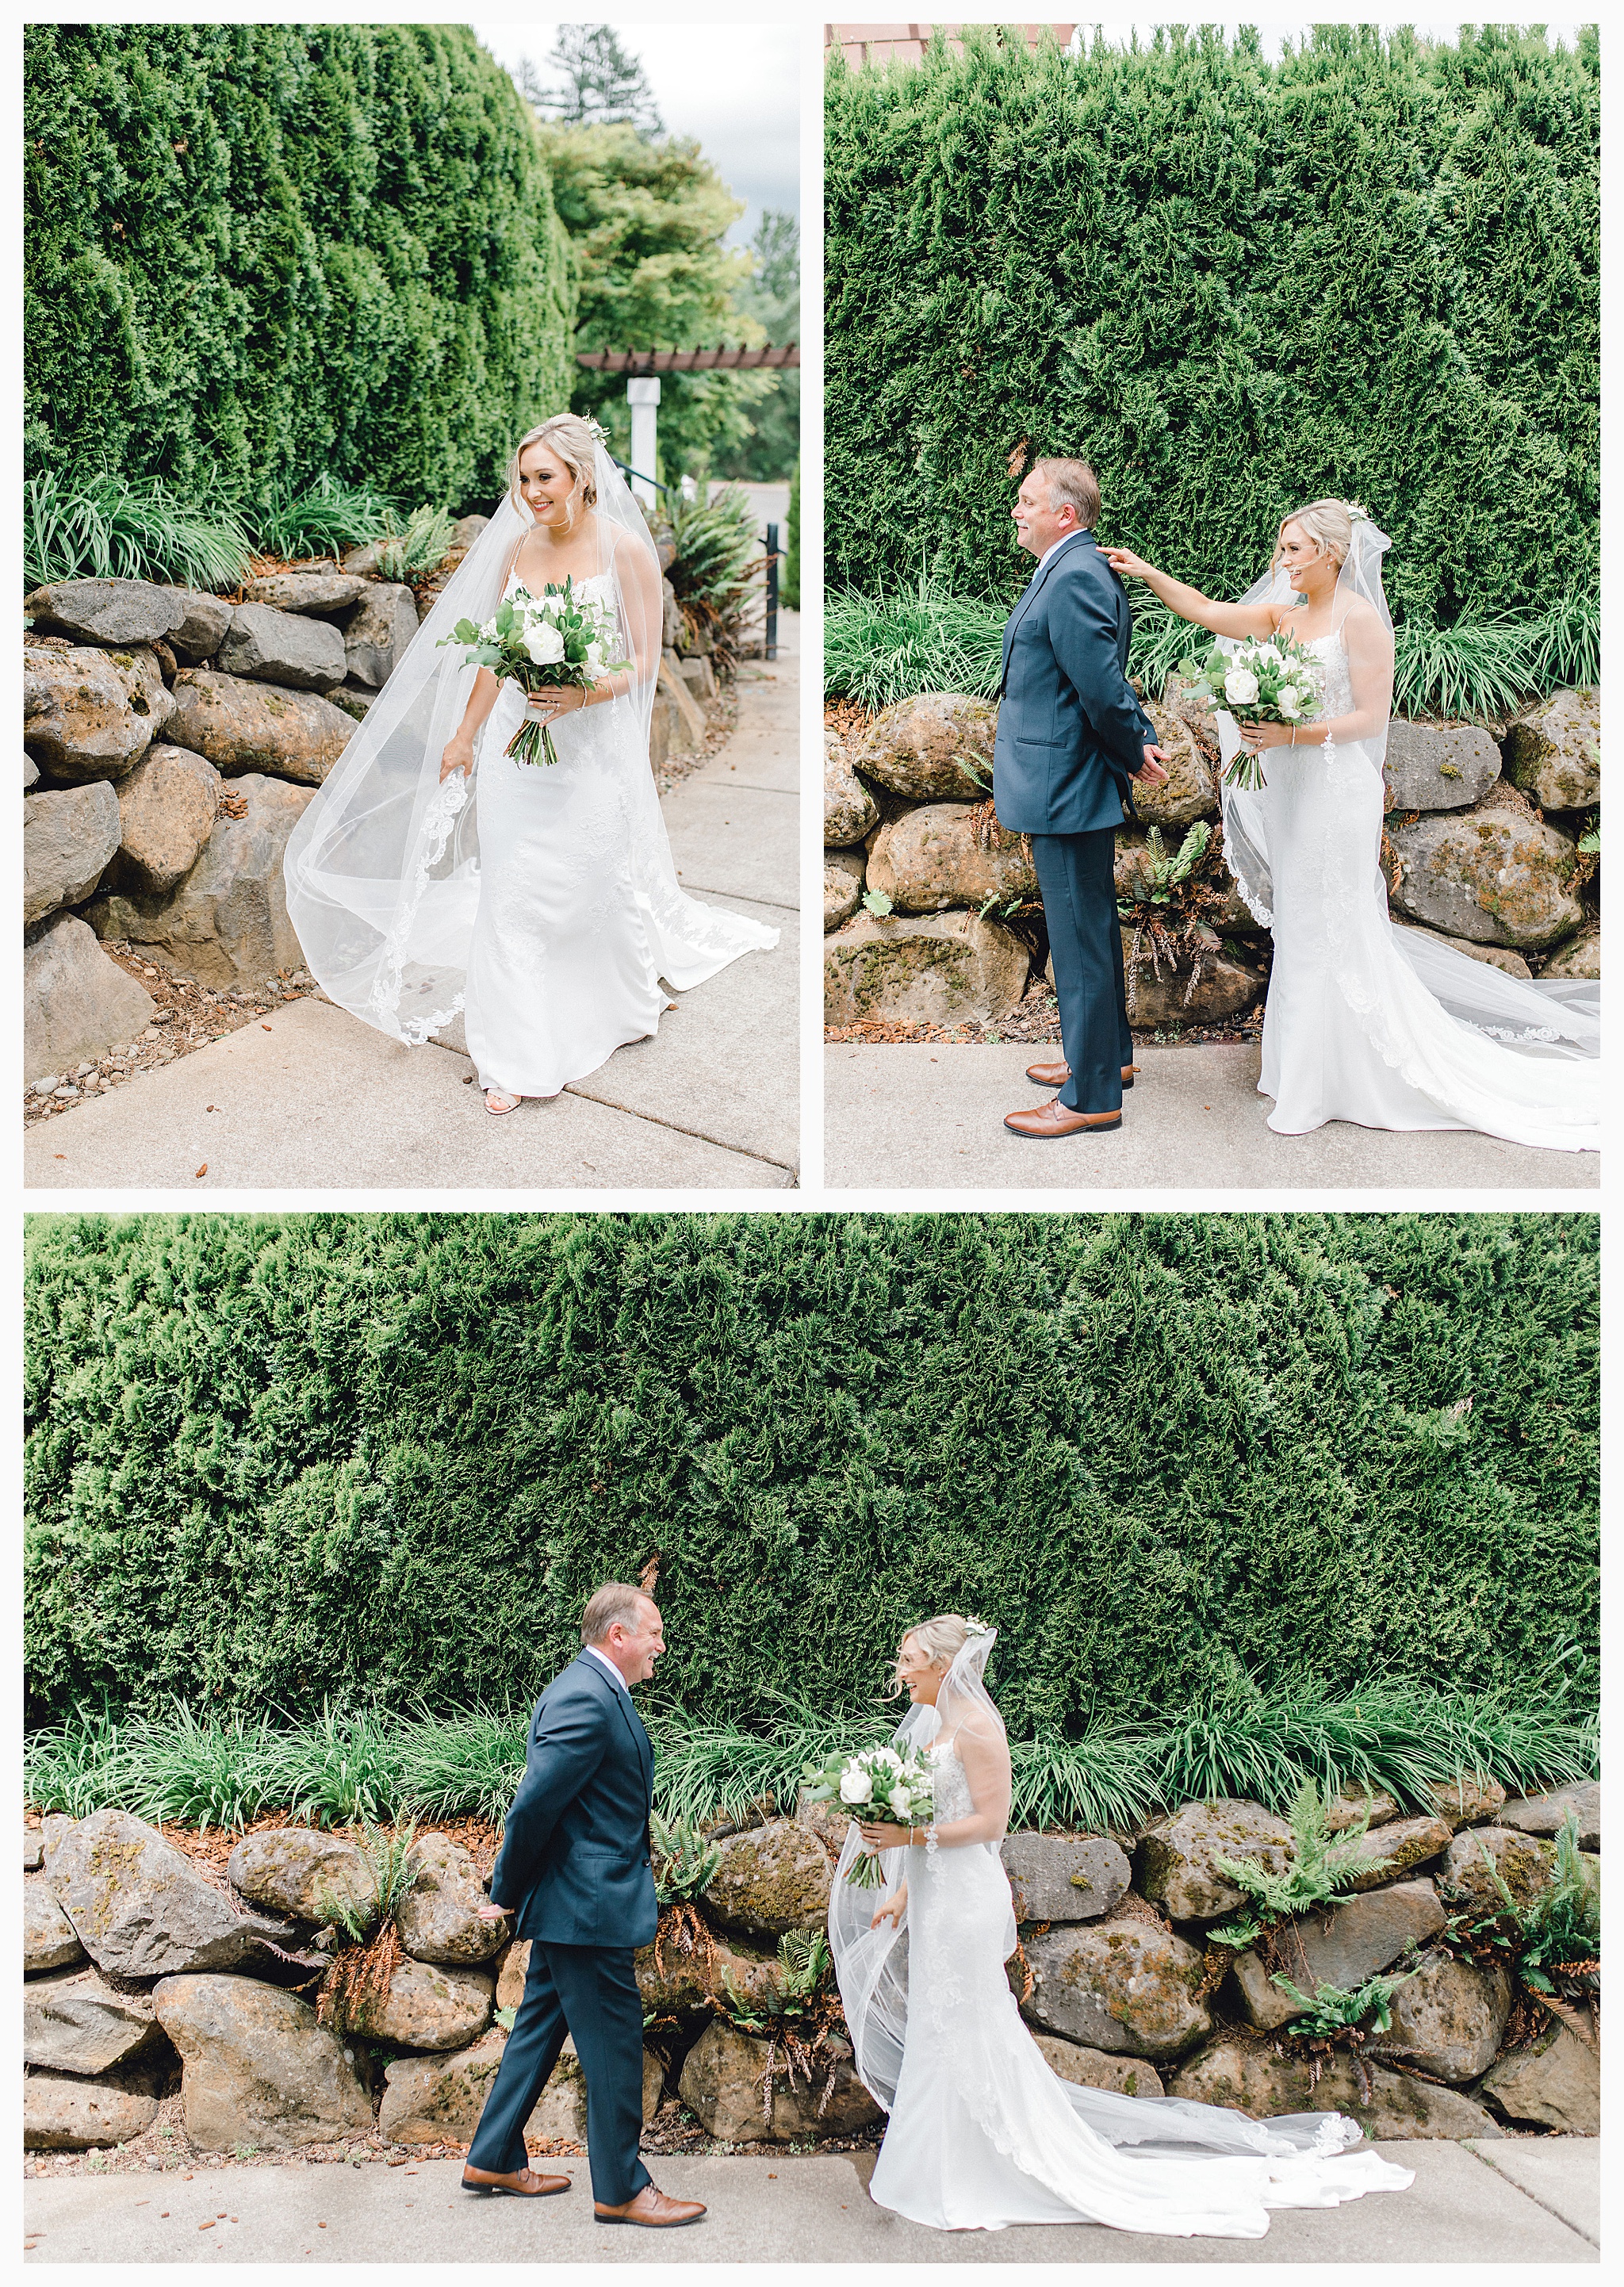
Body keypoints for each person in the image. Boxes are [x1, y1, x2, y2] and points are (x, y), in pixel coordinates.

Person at [828, 1615, 1415, 2237]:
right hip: (934, 1901)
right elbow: (935, 1817)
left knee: (965, 2019)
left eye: (910, 1658)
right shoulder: (932, 1727)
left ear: (944, 1665)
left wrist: (910, 1837)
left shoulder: (977, 1728)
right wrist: (902, 1888)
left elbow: (990, 1827)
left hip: (967, 1902)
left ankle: (980, 2169)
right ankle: (940, 2161)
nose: (901, 1668)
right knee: (938, 2021)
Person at [285, 416, 776, 1118]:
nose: (531, 491)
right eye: (523, 478)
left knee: (587, 885)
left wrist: (582, 692)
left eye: (544, 477)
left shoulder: (626, 550)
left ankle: (616, 1004)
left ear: (580, 476)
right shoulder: (517, 549)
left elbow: (643, 664)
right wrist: (463, 735)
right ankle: (511, 1055)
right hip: (518, 747)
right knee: (512, 895)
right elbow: (494, 653)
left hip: (590, 749)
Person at [1101, 504, 1599, 1150]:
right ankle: (1305, 1069)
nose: (1282, 563)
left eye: (1294, 551)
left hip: (1336, 792)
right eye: (1281, 549)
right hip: (1292, 791)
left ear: (1332, 553)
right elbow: (1204, 609)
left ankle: (1322, 1088)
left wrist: (1291, 733)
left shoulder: (1360, 621)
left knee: (1327, 922)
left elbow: (1370, 718)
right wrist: (1144, 570)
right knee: (1303, 925)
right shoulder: (1284, 617)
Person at [462, 1583, 706, 2228]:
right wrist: (505, 1891)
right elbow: (535, 1805)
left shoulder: (597, 1691)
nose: (661, 1643)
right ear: (617, 1636)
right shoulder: (583, 1695)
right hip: (587, 1907)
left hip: (579, 1902)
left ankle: (492, 2155)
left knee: (539, 2028)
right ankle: (622, 2188)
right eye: (652, 1631)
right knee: (615, 2045)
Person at [992, 458, 1170, 1142]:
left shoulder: (1073, 576)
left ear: (1064, 514)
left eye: (1028, 501)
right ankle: (1107, 1058)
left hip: (1065, 784)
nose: (1018, 510)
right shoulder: (1069, 569)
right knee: (1085, 931)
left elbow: (1099, 684)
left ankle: (1091, 1095)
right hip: (1062, 780)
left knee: (1080, 939)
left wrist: (1136, 746)